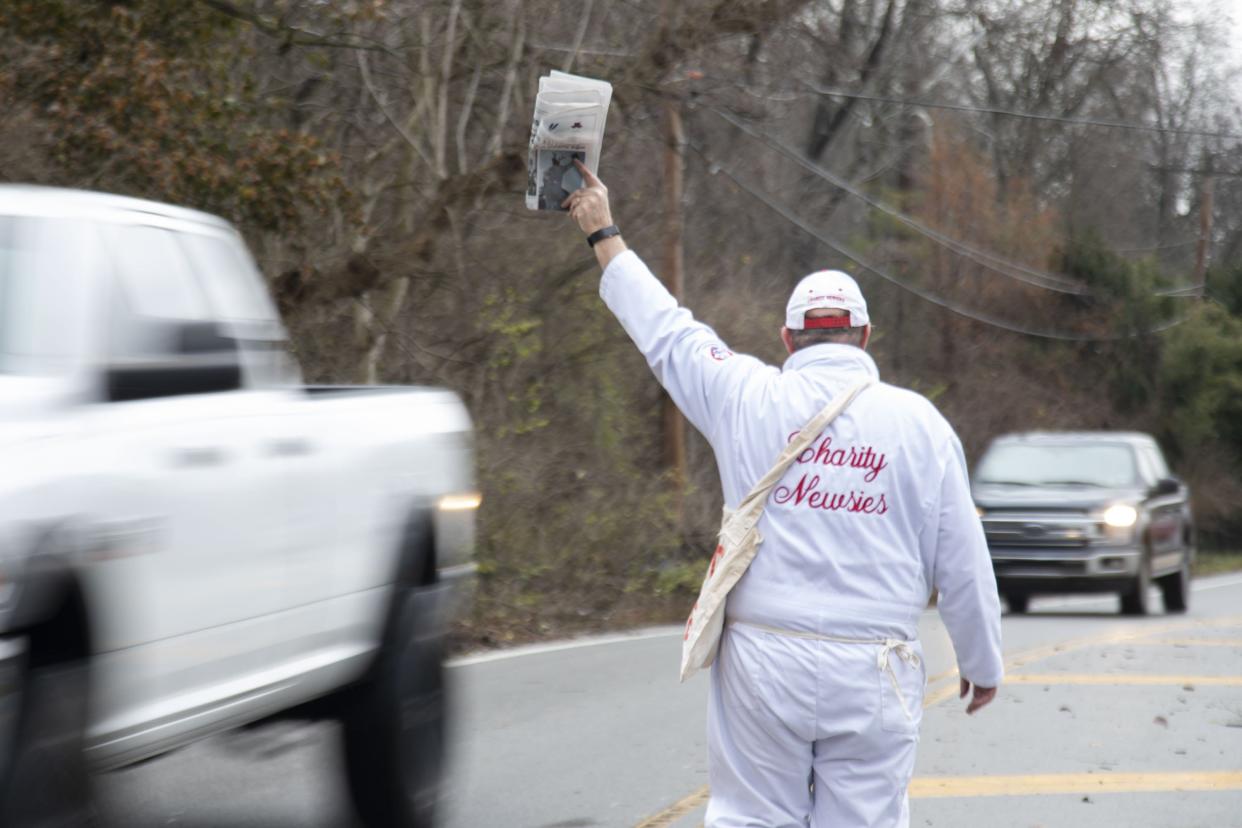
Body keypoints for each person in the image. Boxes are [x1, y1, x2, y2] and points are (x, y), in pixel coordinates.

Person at [561, 161, 1003, 828]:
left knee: (750, 816)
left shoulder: (747, 395)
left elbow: (667, 333)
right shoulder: (921, 425)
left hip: (763, 660)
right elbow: (961, 557)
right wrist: (980, 658)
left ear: (788, 339)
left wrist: (604, 232)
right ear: (866, 337)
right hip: (875, 665)